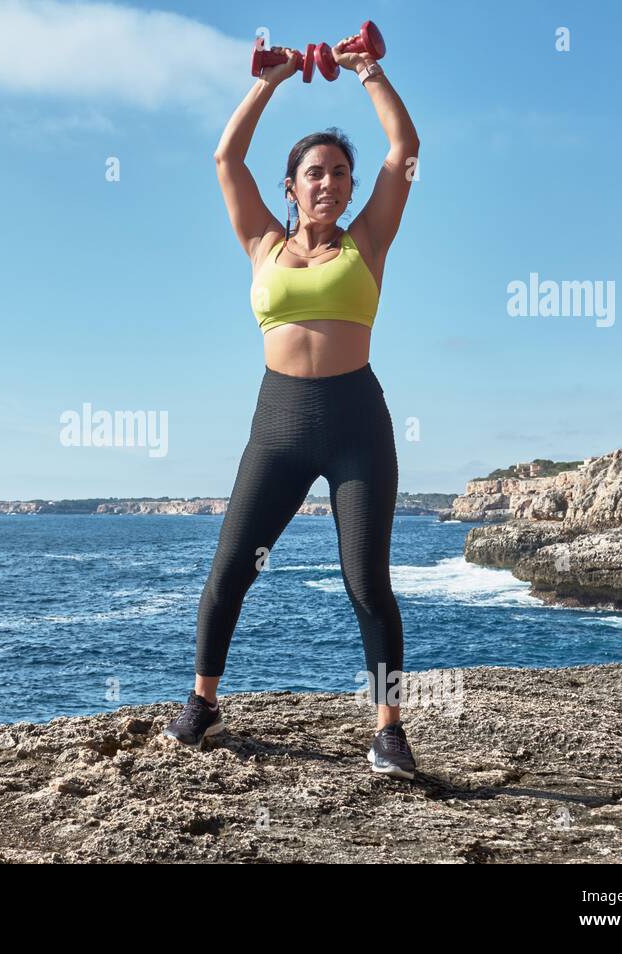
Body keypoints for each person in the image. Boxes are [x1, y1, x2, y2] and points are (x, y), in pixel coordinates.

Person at [163, 35, 420, 779]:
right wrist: (271, 81)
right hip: (277, 425)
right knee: (230, 573)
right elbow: (224, 159)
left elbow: (403, 147)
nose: (332, 183)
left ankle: (389, 729)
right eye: (317, 173)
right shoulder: (262, 245)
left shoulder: (367, 241)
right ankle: (204, 701)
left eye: (341, 173)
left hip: (356, 425)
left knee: (367, 583)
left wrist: (370, 72)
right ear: (291, 185)